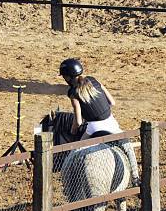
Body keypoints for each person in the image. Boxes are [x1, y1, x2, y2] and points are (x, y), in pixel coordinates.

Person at [59, 58, 140, 186]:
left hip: (93, 128)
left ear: (68, 78)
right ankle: (136, 178)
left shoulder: (73, 93)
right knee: (128, 147)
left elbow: (79, 121)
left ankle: (68, 181)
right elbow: (112, 102)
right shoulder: (94, 80)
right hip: (111, 123)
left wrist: (73, 130)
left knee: (75, 153)